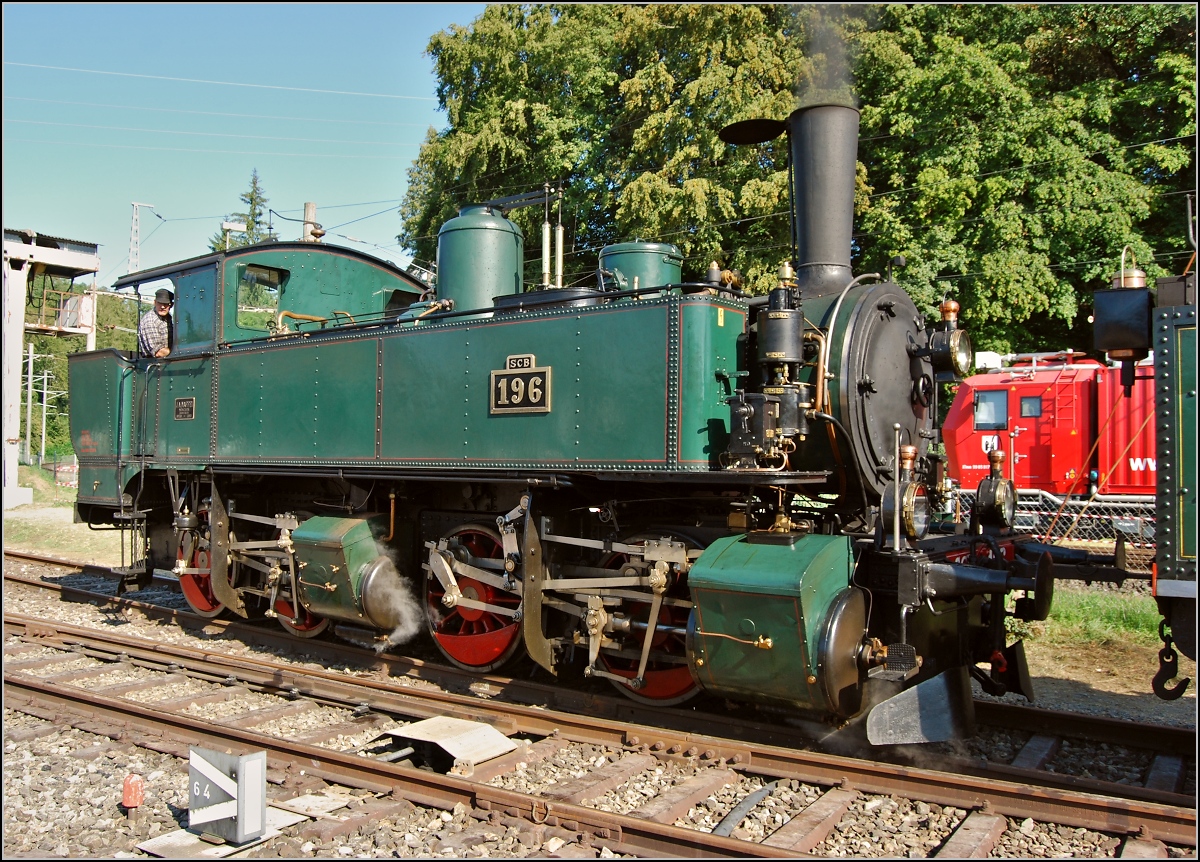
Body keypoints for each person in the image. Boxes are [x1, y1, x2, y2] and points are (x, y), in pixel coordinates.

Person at [138, 288, 174, 358]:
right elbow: (159, 352)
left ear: (171, 305)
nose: (162, 307)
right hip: (154, 364)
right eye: (160, 303)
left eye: (166, 304)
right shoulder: (150, 320)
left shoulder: (168, 318)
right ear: (155, 302)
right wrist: (177, 352)